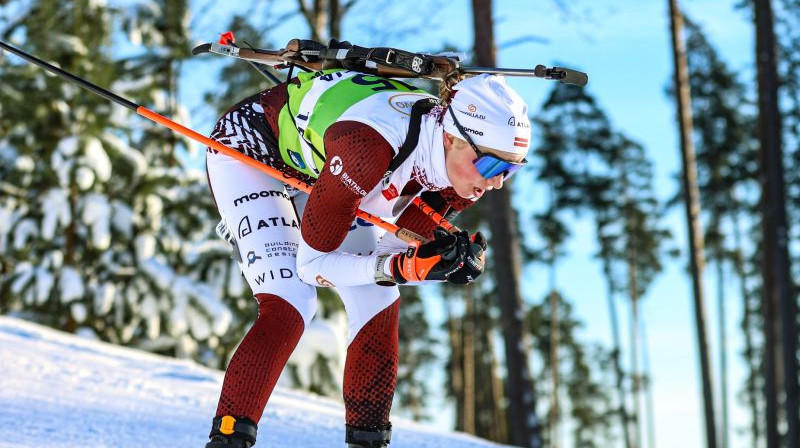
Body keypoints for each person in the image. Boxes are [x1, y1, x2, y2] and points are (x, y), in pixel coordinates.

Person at [203, 67, 531, 448]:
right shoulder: (369, 147)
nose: (495, 183)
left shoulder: (463, 178)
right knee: (292, 300)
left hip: (327, 174)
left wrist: (434, 262)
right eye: (492, 165)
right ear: (453, 138)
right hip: (252, 152)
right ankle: (228, 440)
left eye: (510, 170)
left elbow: (393, 255)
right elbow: (313, 265)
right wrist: (403, 266)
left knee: (379, 298)